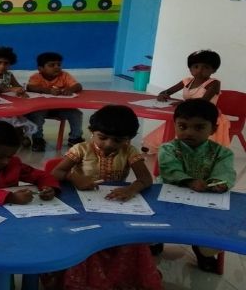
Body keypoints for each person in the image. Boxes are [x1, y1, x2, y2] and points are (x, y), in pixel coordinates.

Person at [48, 105, 161, 290]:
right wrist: (74, 177)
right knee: (87, 240)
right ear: (91, 132)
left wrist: (131, 189)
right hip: (81, 205)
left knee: (130, 238)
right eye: (102, 137)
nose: (109, 144)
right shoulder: (81, 149)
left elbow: (145, 179)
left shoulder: (129, 151)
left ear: (129, 138)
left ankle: (122, 277)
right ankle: (83, 280)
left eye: (117, 140)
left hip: (114, 205)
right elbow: (56, 173)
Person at [159, 98, 235, 273]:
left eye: (199, 127)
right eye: (183, 126)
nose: (189, 132)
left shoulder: (222, 153)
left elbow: (225, 173)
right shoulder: (168, 148)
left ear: (213, 129)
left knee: (211, 228)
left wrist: (217, 184)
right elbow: (170, 170)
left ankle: (202, 250)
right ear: (175, 125)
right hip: (169, 196)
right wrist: (189, 181)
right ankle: (157, 241)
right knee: (152, 223)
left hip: (205, 198)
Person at [143, 49, 230, 154]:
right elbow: (167, 91)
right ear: (190, 68)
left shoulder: (214, 83)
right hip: (188, 114)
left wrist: (185, 103)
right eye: (196, 66)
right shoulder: (187, 81)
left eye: (206, 67)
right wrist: (163, 95)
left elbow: (203, 102)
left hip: (206, 116)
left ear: (214, 70)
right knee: (168, 132)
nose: (200, 70)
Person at [26, 52, 84, 152]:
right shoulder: (36, 77)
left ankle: (75, 138)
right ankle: (38, 139)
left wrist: (70, 90)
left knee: (76, 113)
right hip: (40, 108)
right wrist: (48, 91)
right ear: (40, 69)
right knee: (36, 116)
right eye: (52, 65)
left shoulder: (64, 75)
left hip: (61, 108)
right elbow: (30, 87)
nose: (57, 67)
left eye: (59, 64)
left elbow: (78, 86)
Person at [0, 45, 37, 146]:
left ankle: (20, 135)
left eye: (6, 63)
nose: (2, 66)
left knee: (17, 116)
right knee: (1, 122)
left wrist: (21, 91)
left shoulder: (9, 75)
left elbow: (17, 86)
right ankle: (1, 138)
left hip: (7, 103)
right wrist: (10, 89)